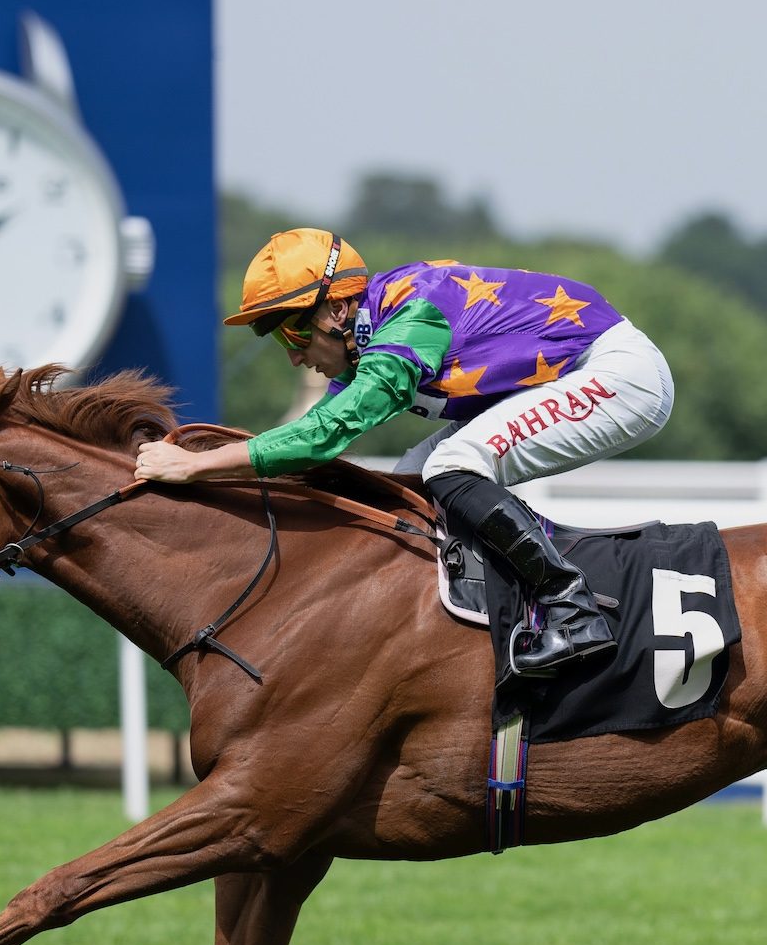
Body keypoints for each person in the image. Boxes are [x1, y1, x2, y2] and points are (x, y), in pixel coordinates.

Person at [133, 228, 675, 675]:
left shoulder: (413, 316)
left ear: (336, 311)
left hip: (618, 375)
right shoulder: (369, 338)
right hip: (569, 376)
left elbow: (324, 436)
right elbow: (304, 447)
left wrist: (197, 464)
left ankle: (573, 609)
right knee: (409, 480)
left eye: (291, 338)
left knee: (451, 465)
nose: (295, 360)